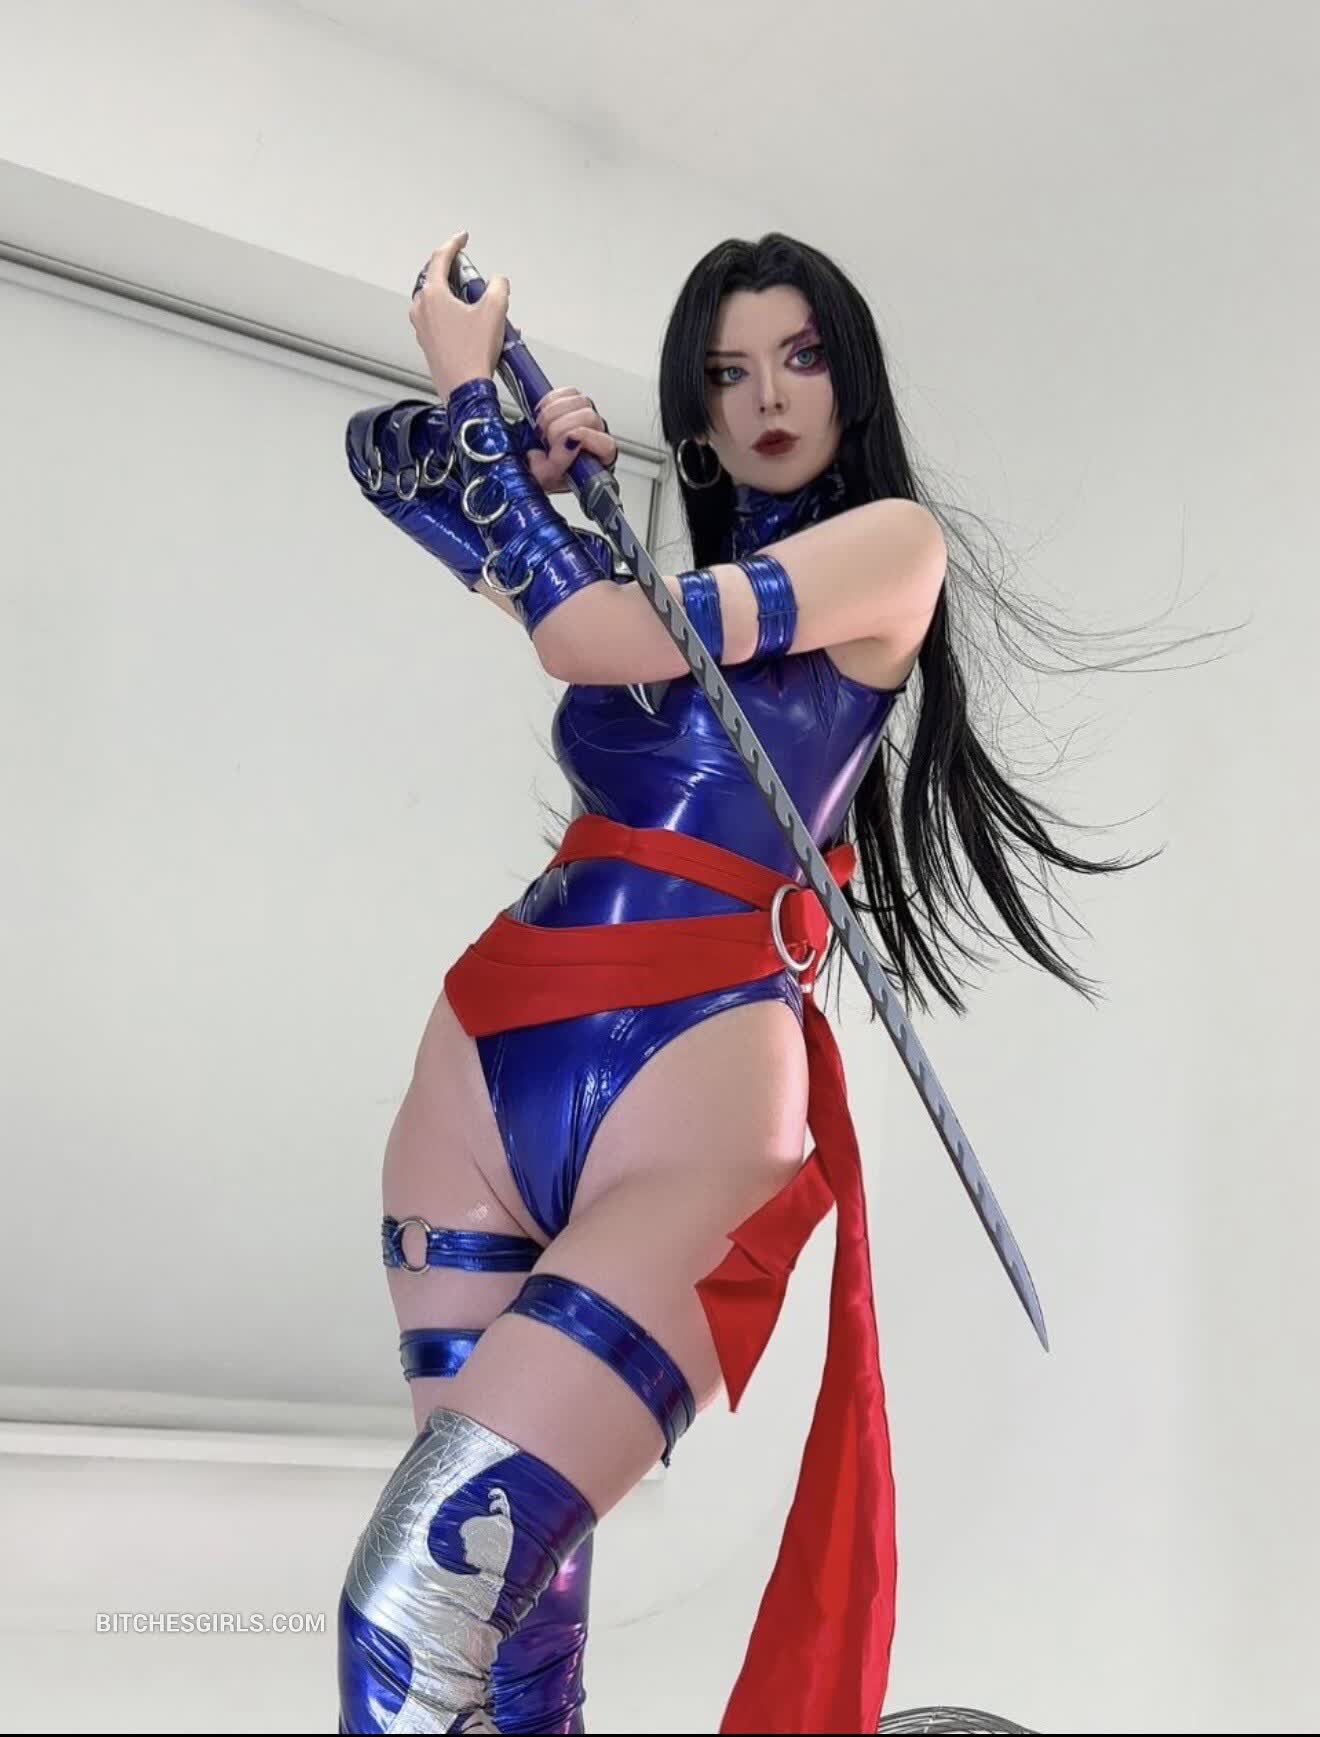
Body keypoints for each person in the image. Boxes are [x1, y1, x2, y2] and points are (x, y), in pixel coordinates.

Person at [335, 228, 1159, 1735]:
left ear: (852, 380)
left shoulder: (892, 549)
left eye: (801, 357)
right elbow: (405, 482)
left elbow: (582, 634)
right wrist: (507, 455)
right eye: (726, 372)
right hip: (475, 1086)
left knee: (421, 1596)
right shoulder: (669, 582)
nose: (767, 395)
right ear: (696, 413)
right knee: (504, 1635)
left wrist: (473, 398)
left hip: (691, 1098)